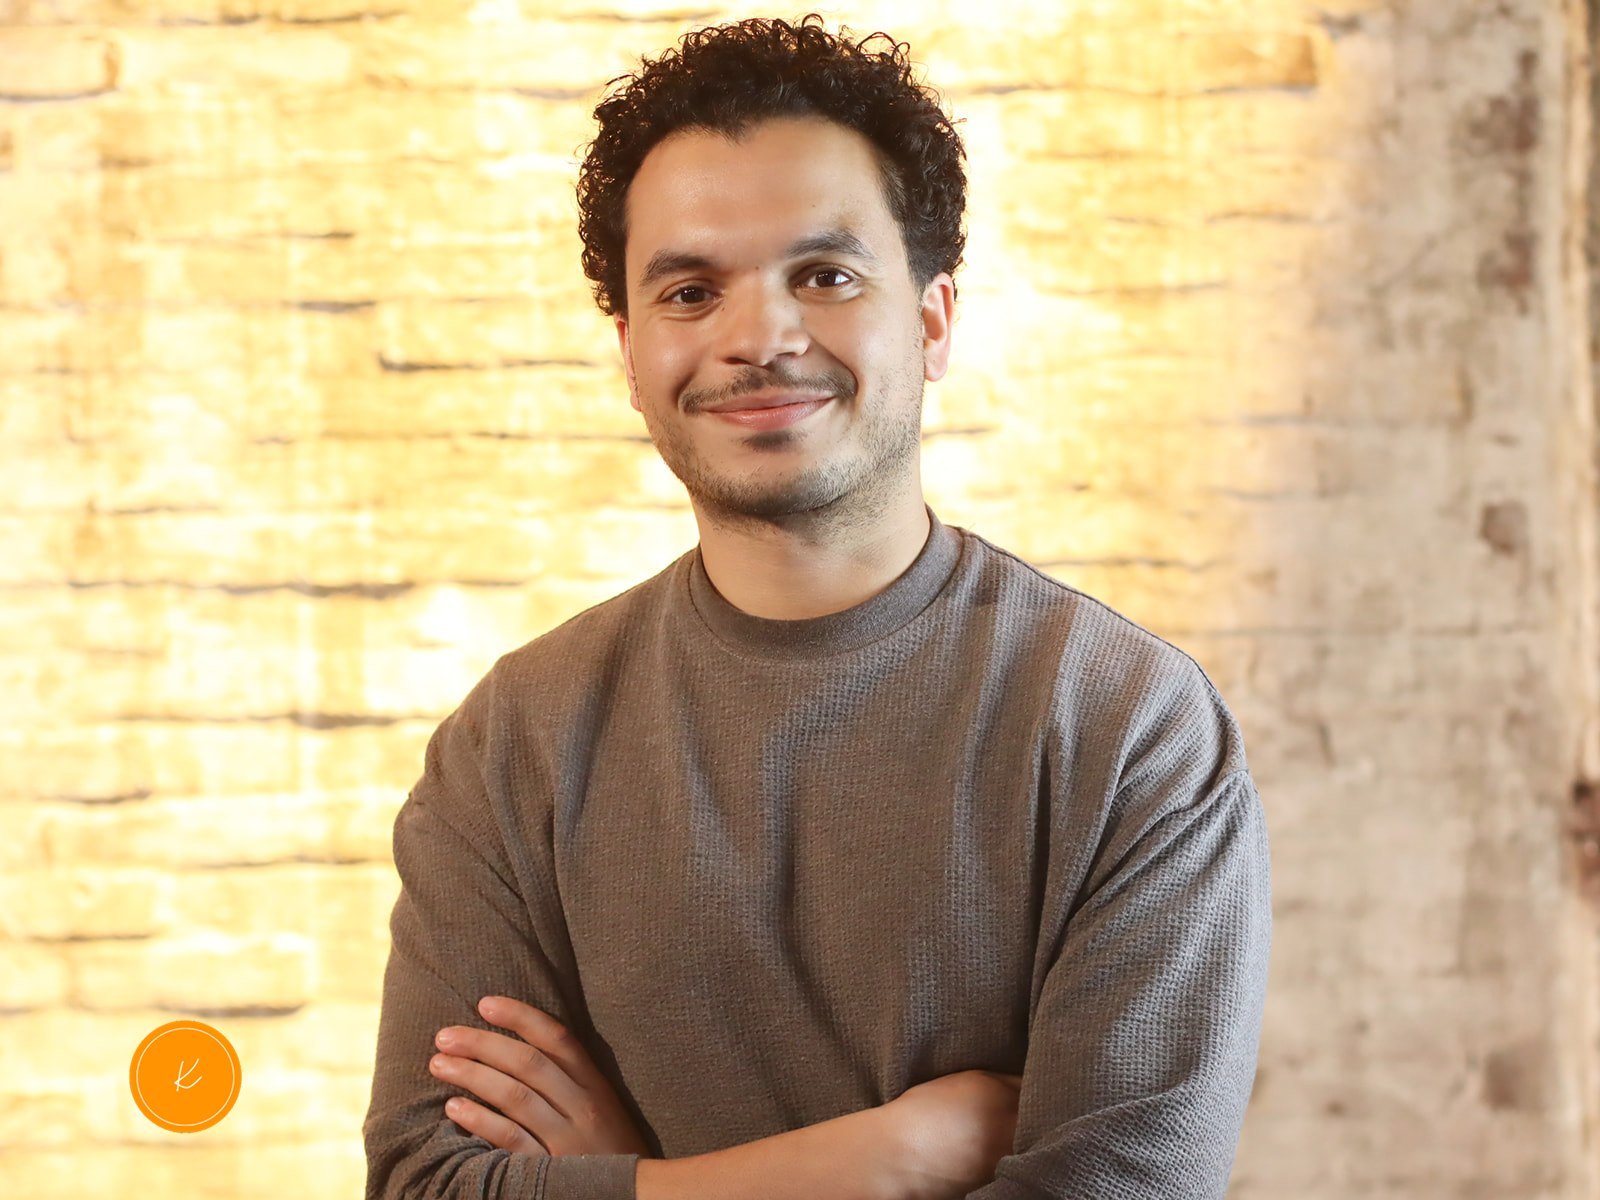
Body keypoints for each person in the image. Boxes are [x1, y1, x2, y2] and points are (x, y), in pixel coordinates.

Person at [361, 13, 1272, 1200]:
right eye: (691, 290)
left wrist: (629, 1179)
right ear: (630, 350)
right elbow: (425, 1185)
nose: (759, 338)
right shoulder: (513, 744)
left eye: (825, 276)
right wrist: (886, 1159)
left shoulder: (1123, 726)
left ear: (931, 320)